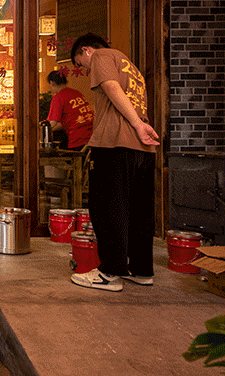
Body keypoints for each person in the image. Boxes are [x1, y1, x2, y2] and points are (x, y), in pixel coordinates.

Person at [68, 33, 160, 293]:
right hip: (142, 149)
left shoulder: (101, 56)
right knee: (139, 211)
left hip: (115, 144)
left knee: (108, 208)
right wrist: (140, 127)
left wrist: (137, 124)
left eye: (82, 64)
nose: (87, 71)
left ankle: (109, 272)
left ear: (86, 51)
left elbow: (110, 87)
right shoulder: (130, 66)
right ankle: (140, 269)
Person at [46, 70, 95, 151]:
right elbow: (69, 121)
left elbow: (52, 124)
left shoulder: (58, 97)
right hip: (92, 138)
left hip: (77, 139)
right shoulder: (76, 93)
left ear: (51, 83)